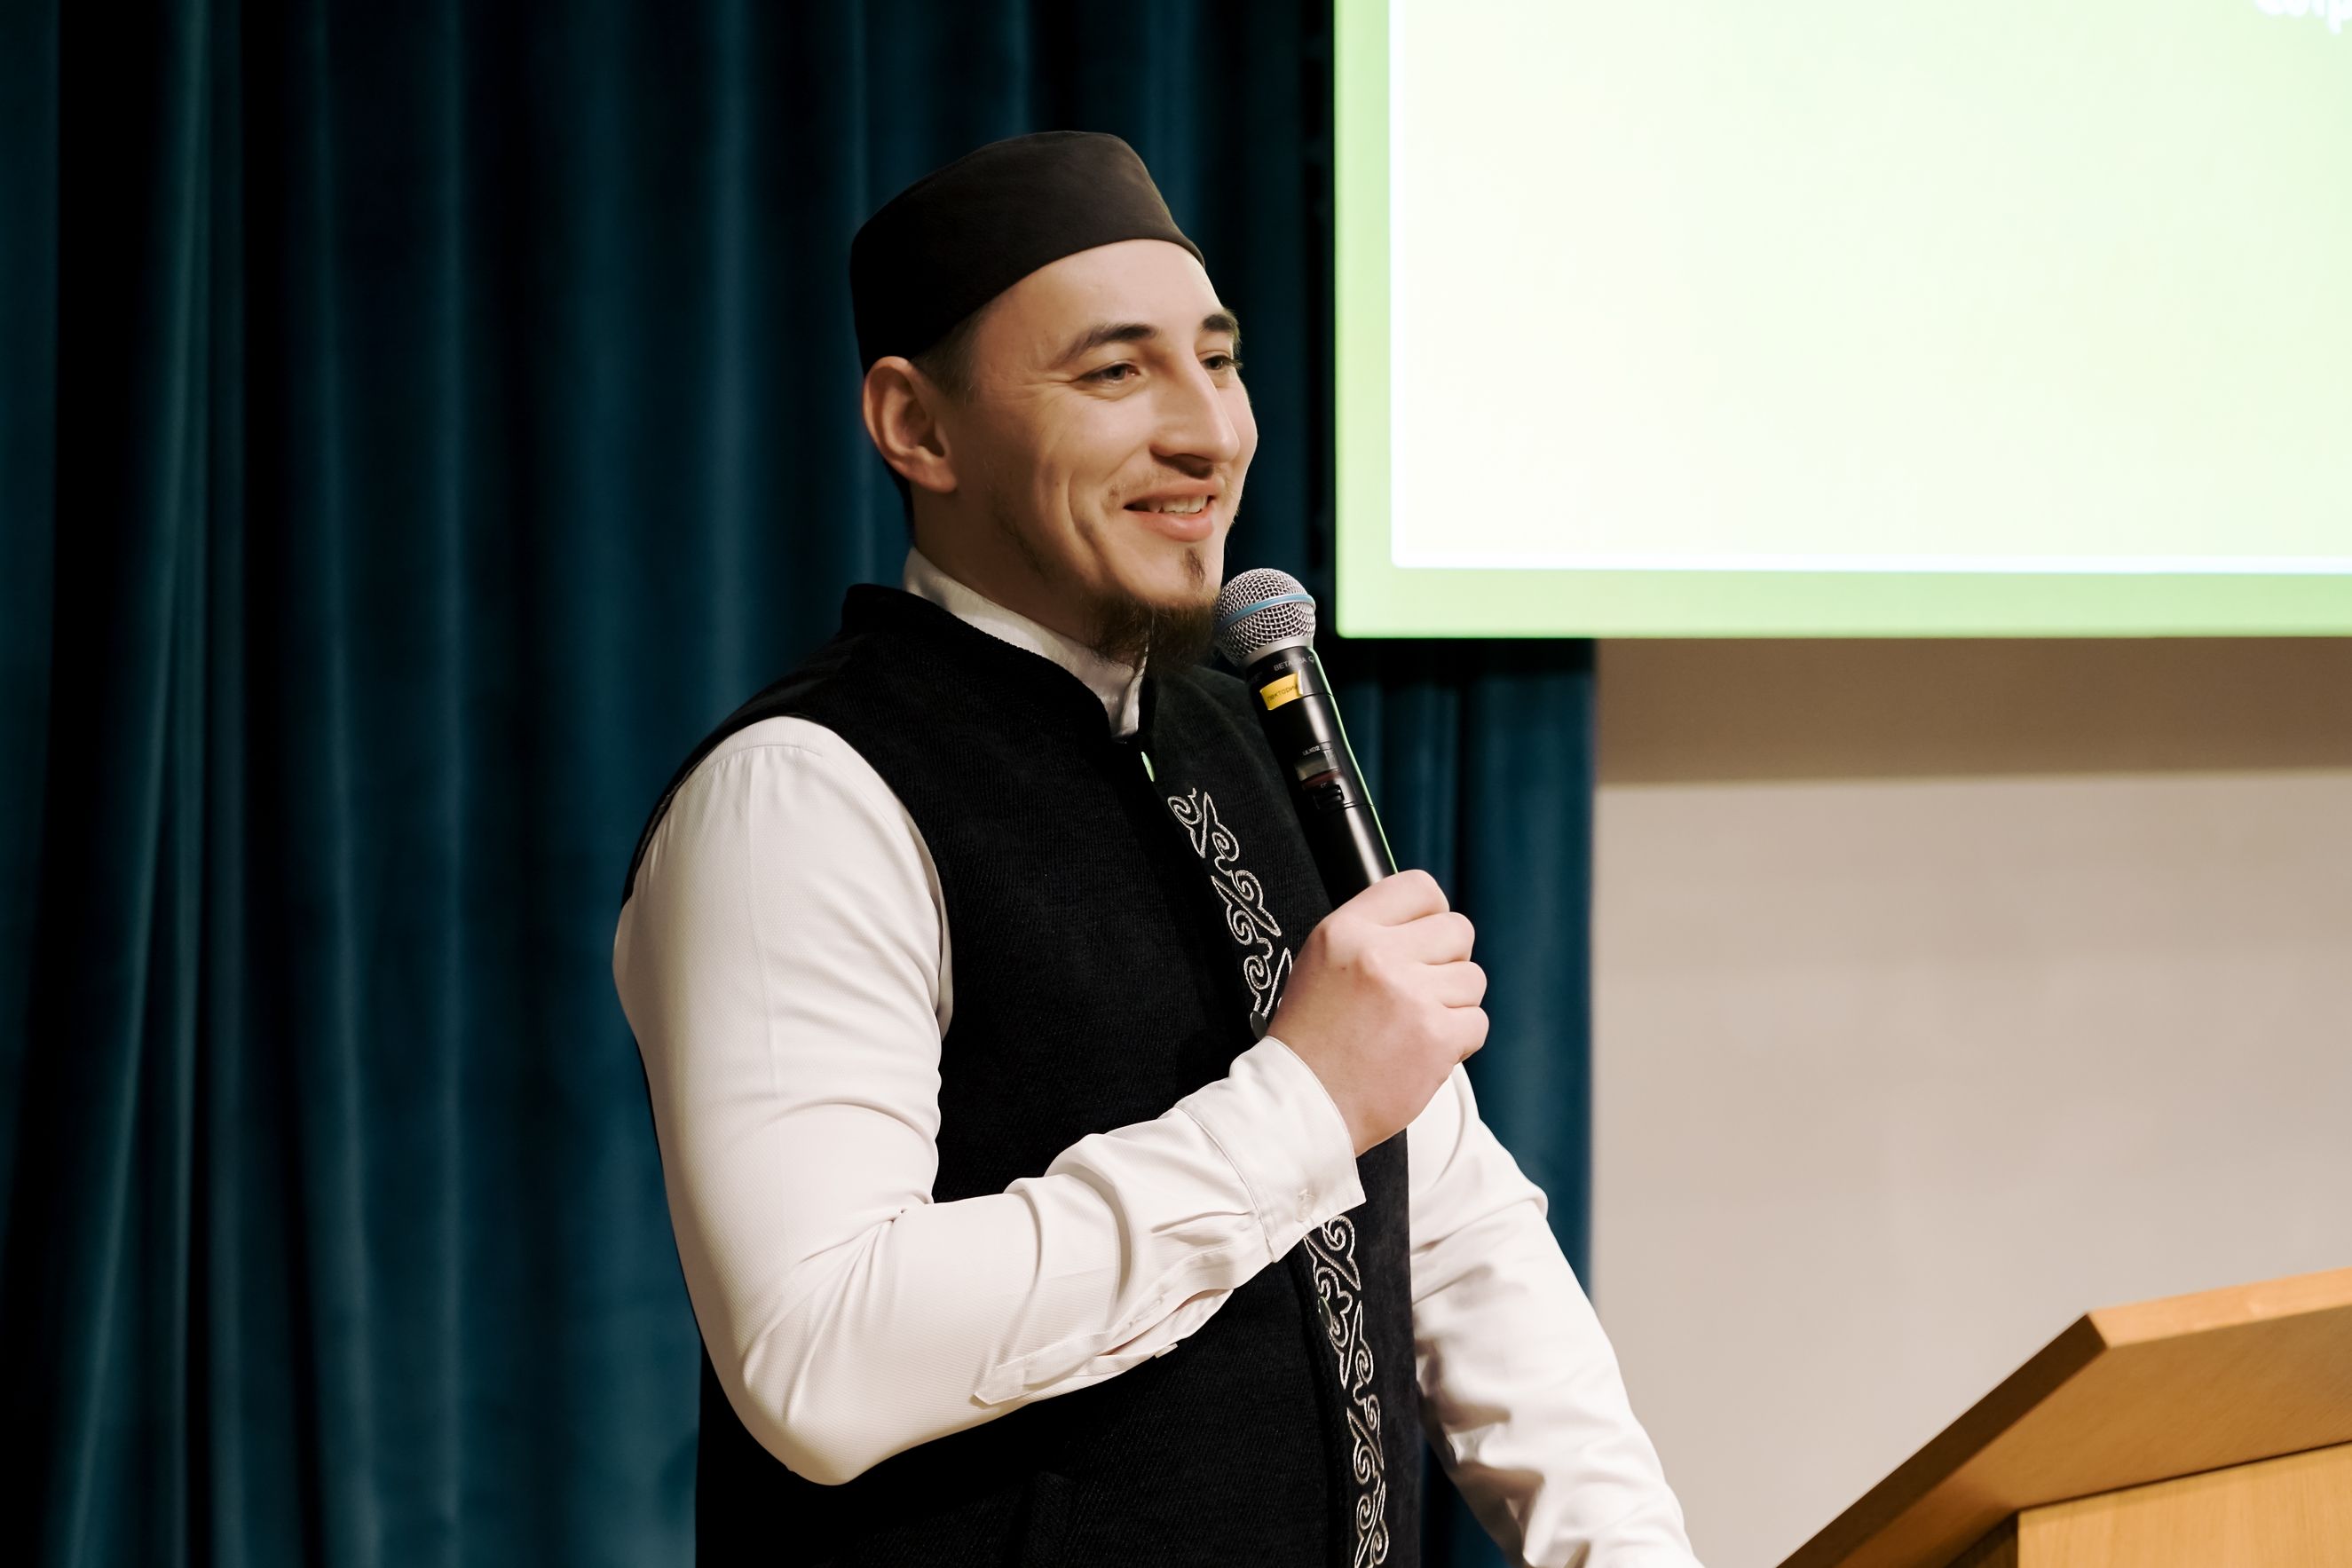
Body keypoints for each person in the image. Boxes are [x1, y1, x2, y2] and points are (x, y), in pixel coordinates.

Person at [613, 130, 1701, 1568]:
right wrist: (1302, 1101)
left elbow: (1450, 1221)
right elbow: (820, 1357)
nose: (1208, 433)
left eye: (1219, 359)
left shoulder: (1250, 727)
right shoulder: (805, 791)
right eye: (1116, 372)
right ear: (916, 427)